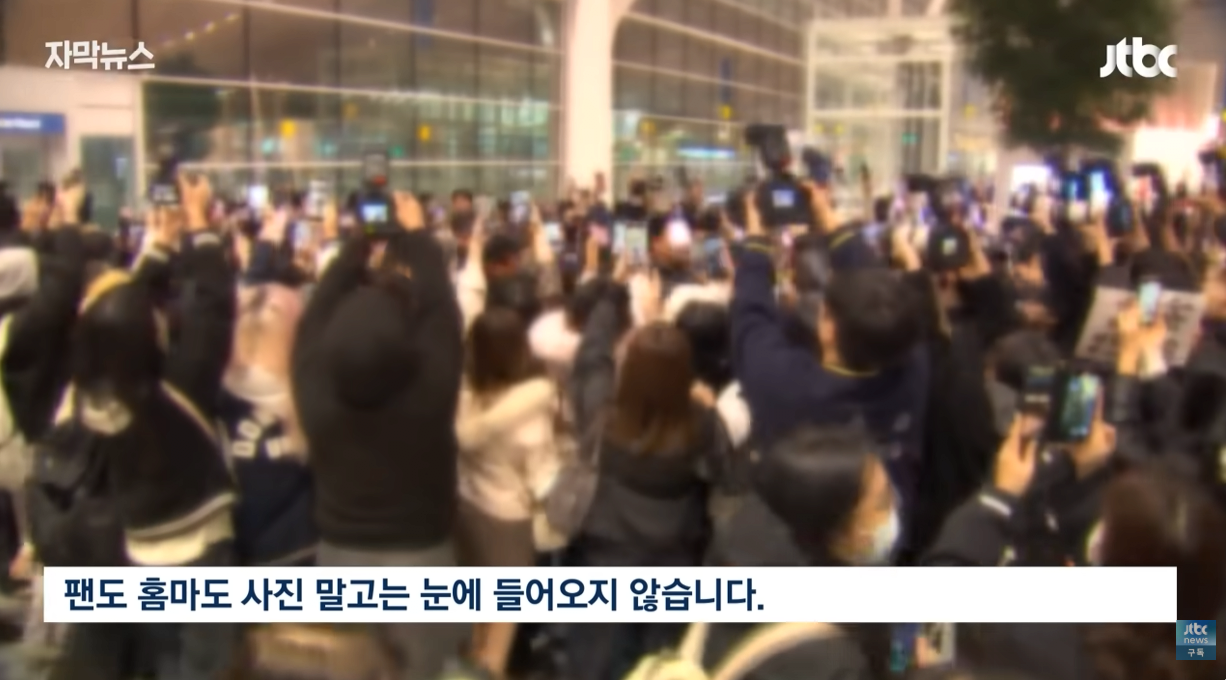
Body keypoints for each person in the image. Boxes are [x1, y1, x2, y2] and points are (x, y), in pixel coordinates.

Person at [59, 175, 238, 680]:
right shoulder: (178, 391)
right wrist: (201, 227)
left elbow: (114, 319)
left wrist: (160, 245)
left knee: (164, 659)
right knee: (206, 665)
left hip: (140, 545)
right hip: (200, 549)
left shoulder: (91, 396)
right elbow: (213, 310)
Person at [293, 192, 466, 680]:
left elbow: (317, 309)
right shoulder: (430, 393)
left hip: (339, 558)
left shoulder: (313, 391)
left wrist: (358, 241)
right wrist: (414, 235)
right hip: (422, 558)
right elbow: (442, 308)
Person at [565, 272, 729, 680]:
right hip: (674, 559)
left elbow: (592, 357)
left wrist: (611, 296)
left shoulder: (603, 418)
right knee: (660, 661)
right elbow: (728, 477)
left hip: (606, 555)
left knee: (593, 659)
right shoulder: (703, 425)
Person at [705, 424, 896, 680]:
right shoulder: (831, 662)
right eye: (882, 503)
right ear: (838, 531)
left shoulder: (740, 544)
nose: (894, 507)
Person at [455, 306, 563, 676]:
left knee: (475, 616)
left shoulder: (462, 395)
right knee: (501, 629)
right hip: (508, 521)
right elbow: (541, 477)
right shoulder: (529, 410)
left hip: (466, 507)